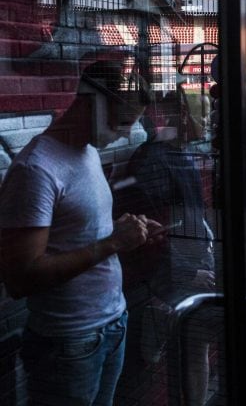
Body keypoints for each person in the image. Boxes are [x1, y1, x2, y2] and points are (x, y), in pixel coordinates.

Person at [0, 61, 161, 405]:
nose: (122, 135)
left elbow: (82, 234)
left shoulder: (85, 152)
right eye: (121, 123)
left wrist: (129, 234)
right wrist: (113, 242)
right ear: (93, 103)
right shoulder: (36, 170)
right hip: (68, 344)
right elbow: (19, 278)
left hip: (111, 325)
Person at [123, 90, 216, 405]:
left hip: (189, 270)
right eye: (202, 116)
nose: (208, 123)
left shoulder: (179, 153)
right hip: (175, 278)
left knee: (197, 345)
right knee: (195, 346)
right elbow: (154, 231)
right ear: (183, 118)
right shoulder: (155, 161)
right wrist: (190, 273)